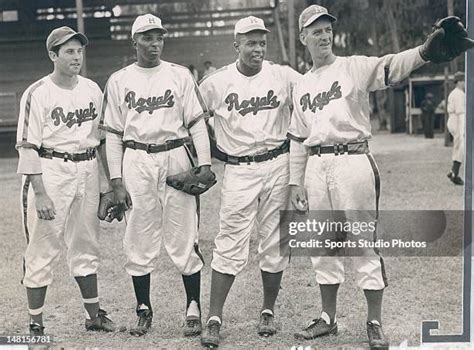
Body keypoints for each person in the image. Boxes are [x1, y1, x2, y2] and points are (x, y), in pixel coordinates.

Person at [288, 5, 472, 349]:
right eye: (315, 31)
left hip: (352, 160)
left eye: (327, 28)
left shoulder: (352, 66)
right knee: (322, 244)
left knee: (361, 241)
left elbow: (391, 65)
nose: (324, 35)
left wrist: (422, 53)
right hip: (316, 164)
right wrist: (295, 182)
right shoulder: (301, 85)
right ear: (303, 38)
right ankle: (328, 318)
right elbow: (298, 138)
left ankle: (374, 321)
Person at [100, 14, 214, 337]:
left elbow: (196, 123)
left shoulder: (179, 75)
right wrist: (116, 181)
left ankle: (193, 306)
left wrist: (204, 163)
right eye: (147, 38)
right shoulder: (120, 80)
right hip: (136, 157)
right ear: (134, 41)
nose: (154, 44)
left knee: (183, 231)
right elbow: (113, 135)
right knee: (138, 230)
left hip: (176, 155)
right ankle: (143, 308)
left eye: (159, 37)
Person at [199, 15, 301, 348]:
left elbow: (311, 98)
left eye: (261, 42)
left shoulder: (283, 75)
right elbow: (192, 118)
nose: (257, 48)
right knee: (229, 239)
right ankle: (214, 317)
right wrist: (207, 155)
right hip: (240, 168)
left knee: (274, 241)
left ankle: (268, 310)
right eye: (250, 42)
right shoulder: (216, 82)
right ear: (236, 45)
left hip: (278, 162)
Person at [16, 26, 116, 336]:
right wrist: (41, 193)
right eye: (68, 51)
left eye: (79, 50)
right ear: (53, 55)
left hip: (85, 169)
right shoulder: (38, 92)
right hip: (52, 168)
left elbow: (99, 142)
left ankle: (93, 316)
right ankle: (35, 326)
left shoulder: (91, 89)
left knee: (86, 244)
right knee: (42, 248)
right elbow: (27, 147)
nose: (76, 56)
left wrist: (105, 186)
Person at [447, 71, 466, 185]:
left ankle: (453, 171)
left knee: (458, 146)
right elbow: (461, 112)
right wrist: (463, 128)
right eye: (463, 81)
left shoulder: (455, 93)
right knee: (461, 146)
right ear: (459, 82)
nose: (464, 83)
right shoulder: (459, 94)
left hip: (453, 119)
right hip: (458, 120)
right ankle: (455, 173)